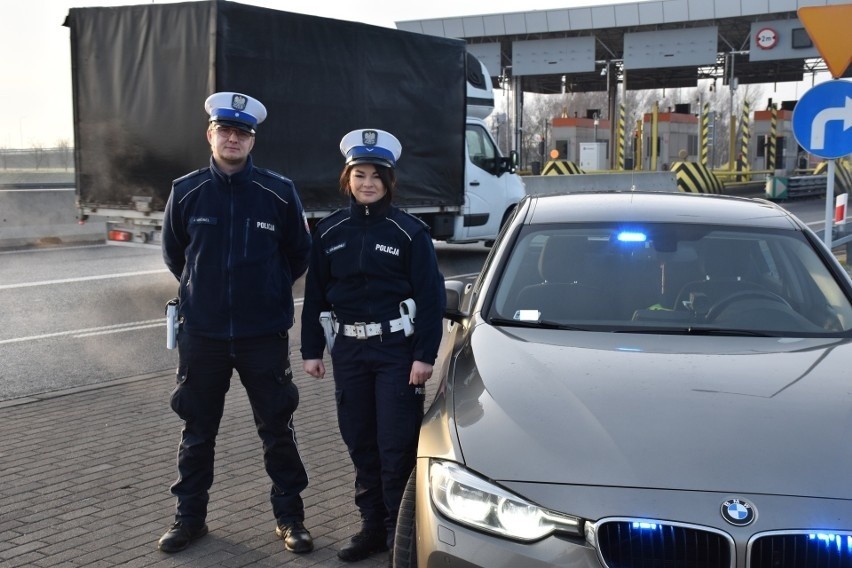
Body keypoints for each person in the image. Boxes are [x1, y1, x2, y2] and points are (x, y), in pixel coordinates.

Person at [159, 92, 314, 555]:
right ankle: (189, 520)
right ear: (210, 134)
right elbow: (176, 254)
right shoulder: (185, 191)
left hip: (262, 336)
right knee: (197, 431)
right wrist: (203, 293)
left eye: (242, 133)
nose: (232, 138)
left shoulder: (278, 191)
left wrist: (265, 292)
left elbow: (298, 255)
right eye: (224, 130)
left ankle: (290, 519)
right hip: (202, 336)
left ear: (252, 141)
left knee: (277, 429)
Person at [301, 128, 446, 563]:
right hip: (349, 352)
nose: (368, 183)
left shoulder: (409, 233)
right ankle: (370, 528)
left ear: (388, 182)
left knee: (396, 445)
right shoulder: (329, 232)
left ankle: (399, 533)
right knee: (360, 440)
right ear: (347, 179)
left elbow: (431, 297)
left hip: (396, 354)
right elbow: (315, 296)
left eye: (376, 176)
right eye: (359, 174)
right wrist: (312, 350)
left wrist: (424, 356)